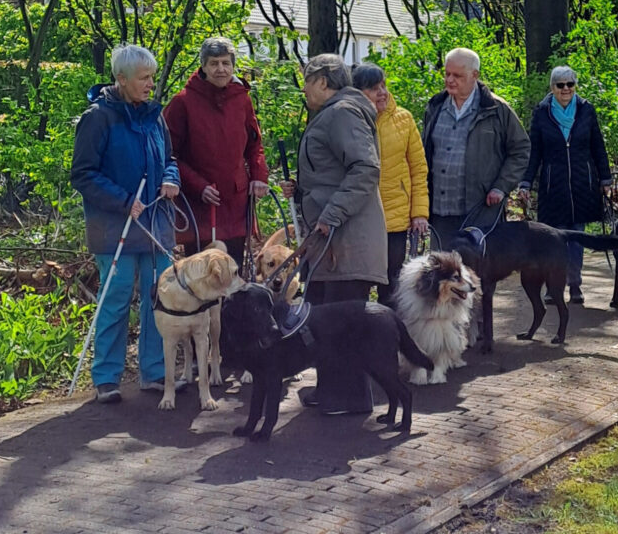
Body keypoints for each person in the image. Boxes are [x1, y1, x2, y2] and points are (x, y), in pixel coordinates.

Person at [71, 44, 181, 404]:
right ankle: (106, 377)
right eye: (144, 78)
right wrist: (121, 200)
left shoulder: (154, 116)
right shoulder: (97, 117)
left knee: (159, 299)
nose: (151, 84)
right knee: (115, 300)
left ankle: (155, 372)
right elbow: (83, 174)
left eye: (152, 77)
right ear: (121, 79)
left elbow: (169, 158)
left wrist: (171, 178)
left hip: (156, 223)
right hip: (114, 227)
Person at [279, 53, 386, 415]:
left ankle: (350, 399)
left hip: (346, 242)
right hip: (330, 243)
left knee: (341, 324)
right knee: (323, 319)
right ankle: (330, 391)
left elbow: (365, 169)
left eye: (307, 81)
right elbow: (331, 173)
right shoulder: (334, 113)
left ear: (323, 81)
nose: (304, 89)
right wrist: (304, 189)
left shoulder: (342, 113)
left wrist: (331, 213)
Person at [163, 37, 269, 268]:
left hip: (236, 203)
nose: (220, 69)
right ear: (203, 66)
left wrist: (259, 177)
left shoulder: (242, 99)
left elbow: (254, 145)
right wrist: (198, 186)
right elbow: (168, 154)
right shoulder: (183, 102)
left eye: (225, 63)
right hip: (200, 207)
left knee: (234, 272)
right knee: (202, 275)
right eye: (214, 63)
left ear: (233, 66)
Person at [518, 65, 613, 304]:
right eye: (560, 85)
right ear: (552, 87)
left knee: (577, 238)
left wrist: (605, 178)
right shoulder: (541, 113)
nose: (566, 89)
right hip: (553, 186)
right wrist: (526, 182)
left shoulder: (586, 110)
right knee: (554, 239)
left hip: (583, 183)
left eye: (570, 84)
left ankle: (575, 285)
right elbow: (535, 152)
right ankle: (553, 286)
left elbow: (598, 147)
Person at [421, 47, 530, 245]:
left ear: (475, 75)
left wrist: (501, 187)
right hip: (439, 211)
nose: (450, 80)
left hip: (480, 210)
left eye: (457, 75)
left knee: (477, 272)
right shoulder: (435, 106)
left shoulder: (497, 110)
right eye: (447, 74)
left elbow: (521, 150)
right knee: (441, 271)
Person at [352, 62, 429, 307]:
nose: (382, 92)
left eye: (383, 85)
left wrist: (419, 213)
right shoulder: (349, 120)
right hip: (361, 217)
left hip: (395, 218)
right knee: (360, 282)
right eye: (375, 88)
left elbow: (419, 169)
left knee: (392, 283)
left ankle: (393, 336)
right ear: (358, 92)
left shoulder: (404, 119)